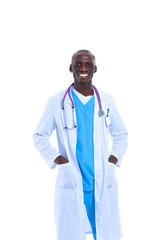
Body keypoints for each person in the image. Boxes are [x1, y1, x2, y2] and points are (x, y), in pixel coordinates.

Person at [33, 50, 128, 240]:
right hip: (72, 179)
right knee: (71, 232)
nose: (83, 68)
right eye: (78, 64)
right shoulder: (56, 103)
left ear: (95, 69)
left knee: (105, 232)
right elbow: (40, 135)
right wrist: (57, 159)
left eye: (87, 65)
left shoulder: (107, 101)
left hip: (100, 180)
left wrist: (112, 160)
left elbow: (121, 134)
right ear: (71, 68)